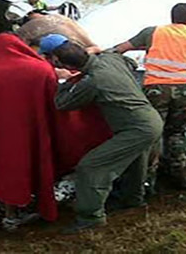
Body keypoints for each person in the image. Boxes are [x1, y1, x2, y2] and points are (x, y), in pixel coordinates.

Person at [40, 34, 163, 234]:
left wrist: (67, 81)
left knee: (91, 167)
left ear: (59, 61)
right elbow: (131, 62)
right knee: (135, 163)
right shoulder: (110, 58)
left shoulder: (92, 81)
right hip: (151, 120)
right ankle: (132, 200)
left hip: (137, 128)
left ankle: (91, 217)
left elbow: (61, 104)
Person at [113, 3, 186, 189]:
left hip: (156, 89)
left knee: (152, 133)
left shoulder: (152, 32)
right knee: (176, 132)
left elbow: (121, 48)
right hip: (184, 90)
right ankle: (181, 176)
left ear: (171, 16)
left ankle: (147, 182)